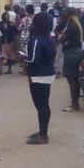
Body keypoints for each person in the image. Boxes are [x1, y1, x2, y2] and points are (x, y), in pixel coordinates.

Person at [25, 12, 56, 145]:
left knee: (41, 105)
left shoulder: (36, 39)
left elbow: (33, 59)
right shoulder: (50, 39)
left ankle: (43, 135)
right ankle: (43, 132)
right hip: (48, 73)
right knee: (44, 105)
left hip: (38, 75)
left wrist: (23, 57)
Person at [59, 7, 84, 112]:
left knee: (71, 79)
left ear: (68, 16)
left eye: (63, 15)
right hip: (77, 52)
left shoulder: (71, 26)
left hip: (71, 54)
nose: (62, 18)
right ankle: (75, 103)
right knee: (75, 79)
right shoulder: (77, 25)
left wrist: (61, 36)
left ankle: (74, 104)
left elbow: (62, 39)